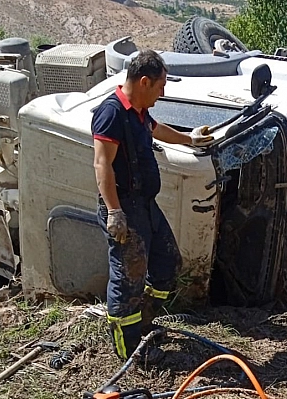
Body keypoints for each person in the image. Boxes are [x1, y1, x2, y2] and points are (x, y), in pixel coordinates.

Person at [92, 49, 213, 364]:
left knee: (167, 265)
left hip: (145, 205)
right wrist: (114, 212)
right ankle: (128, 350)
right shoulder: (112, 113)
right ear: (144, 82)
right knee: (127, 278)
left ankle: (143, 321)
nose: (163, 93)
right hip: (125, 209)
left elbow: (157, 130)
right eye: (160, 87)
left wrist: (189, 140)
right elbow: (102, 164)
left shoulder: (140, 112)